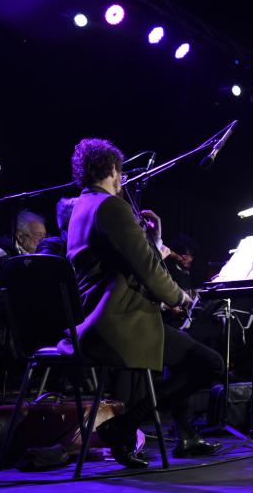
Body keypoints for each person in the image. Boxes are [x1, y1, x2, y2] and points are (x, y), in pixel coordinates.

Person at [65, 138, 224, 468]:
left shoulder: (81, 207)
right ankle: (125, 425)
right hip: (122, 324)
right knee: (209, 364)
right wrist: (178, 296)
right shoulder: (110, 207)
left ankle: (126, 430)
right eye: (120, 172)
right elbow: (148, 269)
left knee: (184, 356)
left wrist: (153, 240)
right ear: (112, 169)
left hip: (101, 321)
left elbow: (126, 263)